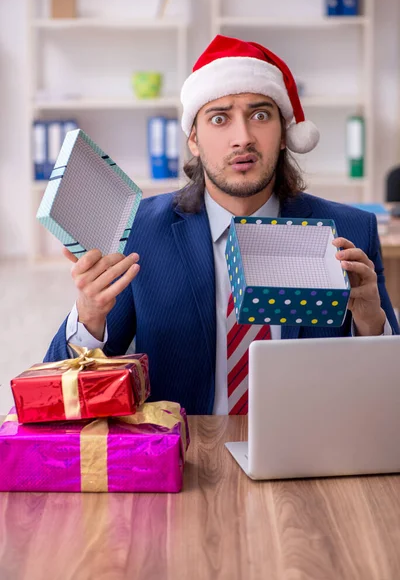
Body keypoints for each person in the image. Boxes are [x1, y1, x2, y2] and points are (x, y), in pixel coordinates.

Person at [44, 35, 400, 415]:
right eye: (219, 118)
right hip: (186, 455)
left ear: (283, 133)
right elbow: (58, 389)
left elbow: (387, 395)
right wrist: (89, 315)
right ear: (194, 139)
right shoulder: (139, 232)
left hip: (309, 454)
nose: (242, 138)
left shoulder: (350, 230)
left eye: (260, 115)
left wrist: (370, 322)